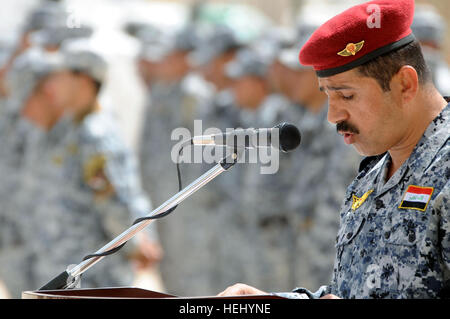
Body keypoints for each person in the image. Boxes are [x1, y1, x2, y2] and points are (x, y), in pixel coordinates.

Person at [219, 0, 449, 299]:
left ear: (405, 84)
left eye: (346, 95)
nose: (333, 116)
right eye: (327, 95)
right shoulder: (372, 176)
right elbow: (353, 291)